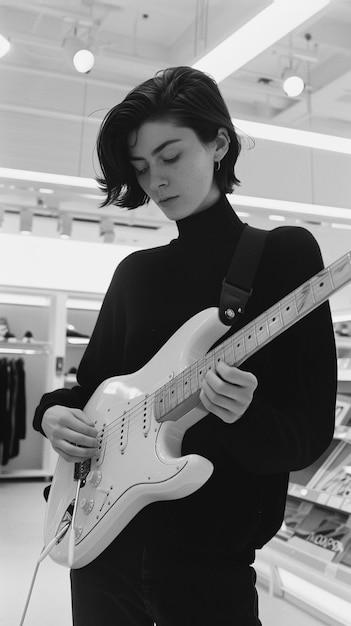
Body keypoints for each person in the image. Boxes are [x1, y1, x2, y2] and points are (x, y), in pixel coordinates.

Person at [33, 66, 337, 626]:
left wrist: (243, 414)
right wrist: (52, 414)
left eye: (170, 157)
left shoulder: (285, 256)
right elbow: (91, 390)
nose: (155, 183)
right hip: (101, 555)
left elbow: (308, 435)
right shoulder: (135, 273)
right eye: (142, 168)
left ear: (219, 142)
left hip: (210, 570)